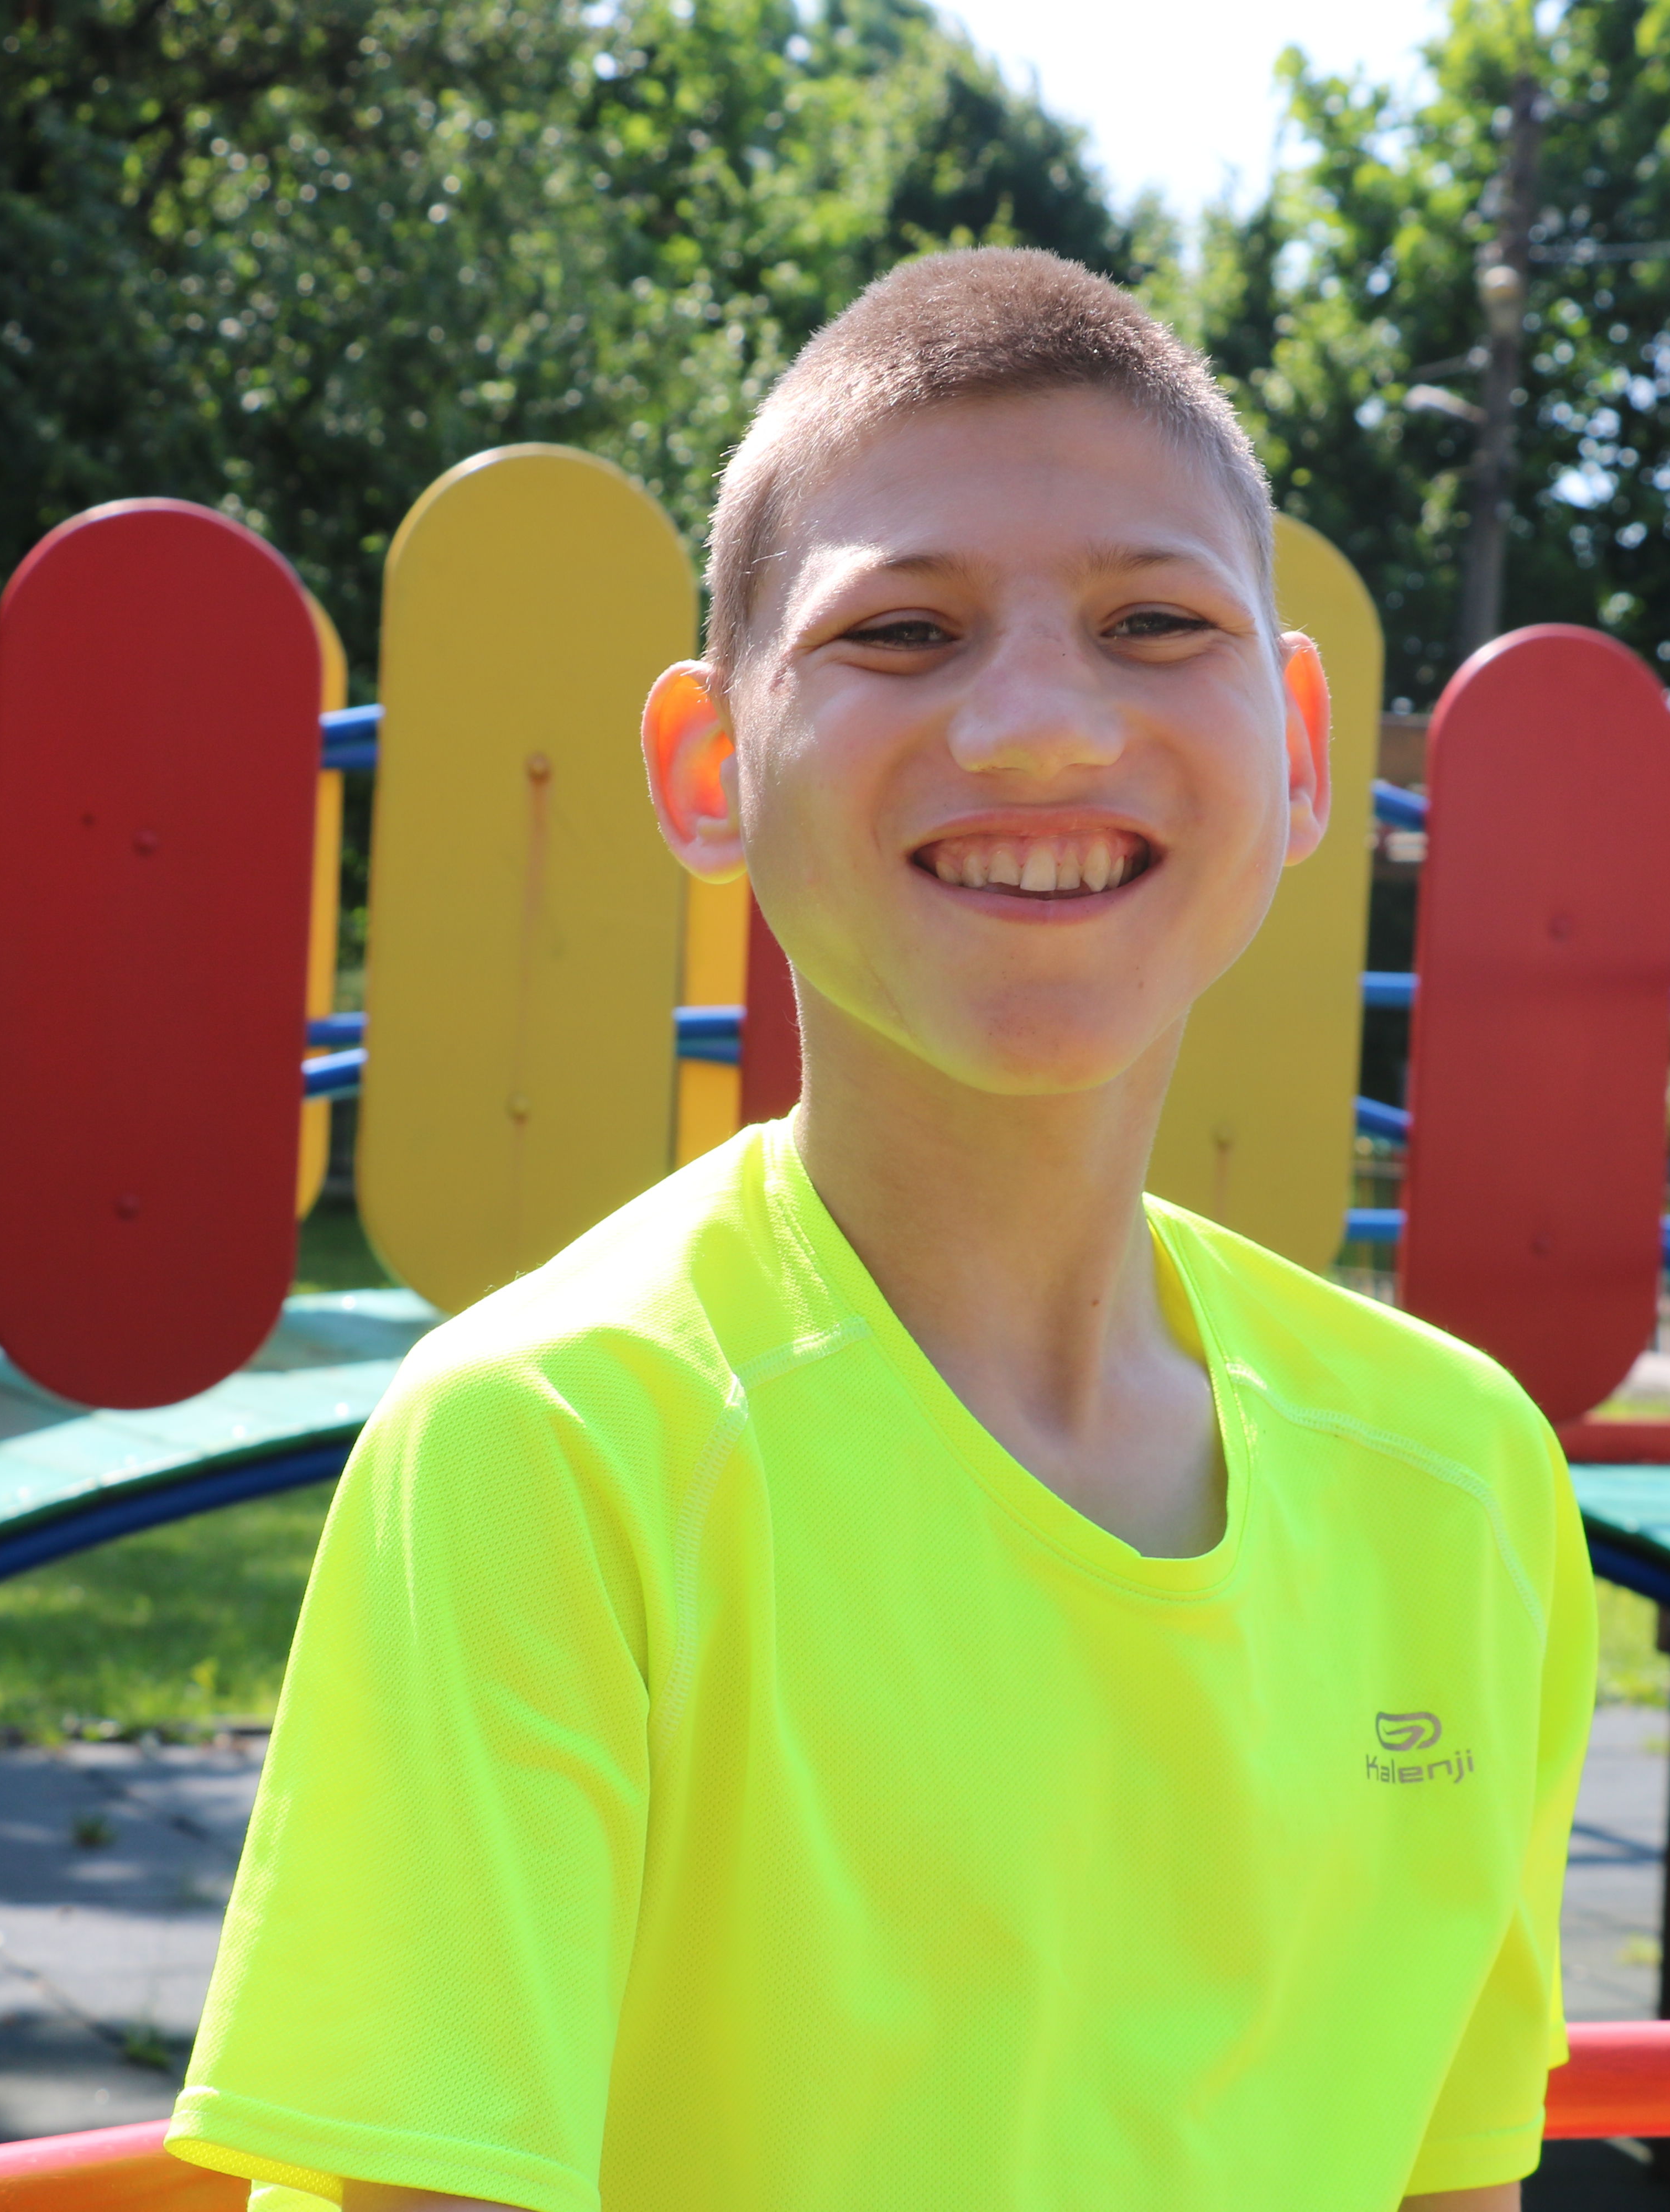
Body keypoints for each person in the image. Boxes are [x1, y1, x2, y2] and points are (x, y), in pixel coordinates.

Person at [167, 247, 1596, 2212]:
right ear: (708, 771)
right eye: (903, 631)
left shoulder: (1465, 1478)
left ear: (1299, 751)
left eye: (1153, 620)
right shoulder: (558, 1448)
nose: (1038, 728)